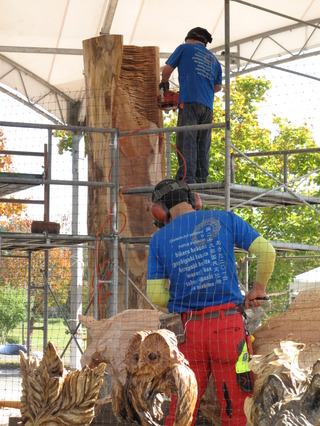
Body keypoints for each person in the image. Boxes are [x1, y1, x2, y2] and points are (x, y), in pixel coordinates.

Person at [147, 179, 276, 426]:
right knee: (238, 407)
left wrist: (181, 302)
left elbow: (155, 295)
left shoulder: (159, 240)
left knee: (182, 407)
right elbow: (267, 252)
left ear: (159, 212)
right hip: (230, 331)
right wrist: (257, 289)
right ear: (195, 200)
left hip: (189, 334)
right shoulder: (225, 219)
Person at [159, 27, 222, 184]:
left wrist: (163, 85)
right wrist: (203, 92)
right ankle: (201, 179)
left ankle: (187, 178)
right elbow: (218, 87)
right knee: (203, 141)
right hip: (207, 105)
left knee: (187, 139)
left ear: (190, 39)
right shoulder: (214, 60)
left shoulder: (184, 48)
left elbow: (166, 71)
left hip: (189, 103)